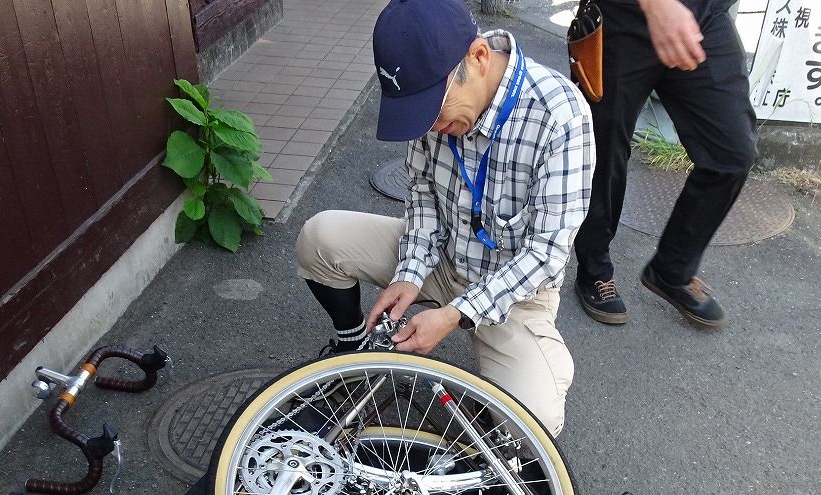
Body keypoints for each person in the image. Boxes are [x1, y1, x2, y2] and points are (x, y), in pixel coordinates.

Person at [295, 0, 595, 437]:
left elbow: (546, 254)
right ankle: (352, 345)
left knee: (535, 421)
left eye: (434, 109)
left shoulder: (560, 115)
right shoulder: (437, 112)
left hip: (516, 294)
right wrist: (409, 274)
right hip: (443, 257)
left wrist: (456, 313)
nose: (431, 125)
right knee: (319, 238)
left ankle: (497, 399)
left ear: (478, 57)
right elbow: (422, 198)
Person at [572, 0, 757, 329]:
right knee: (603, 150)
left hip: (702, 15)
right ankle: (594, 268)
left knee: (732, 152)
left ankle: (672, 269)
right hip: (623, 14)